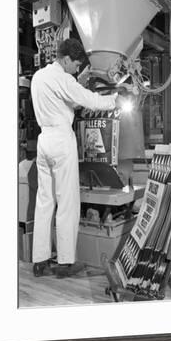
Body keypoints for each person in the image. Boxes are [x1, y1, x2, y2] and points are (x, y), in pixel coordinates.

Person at [30, 38, 119, 279]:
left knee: (45, 202)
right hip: (61, 141)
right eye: (76, 65)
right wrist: (116, 98)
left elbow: (65, 98)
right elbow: (89, 100)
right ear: (66, 59)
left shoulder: (39, 77)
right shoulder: (63, 79)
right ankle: (65, 263)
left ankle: (39, 261)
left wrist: (77, 83)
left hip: (44, 141)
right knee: (67, 202)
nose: (77, 69)